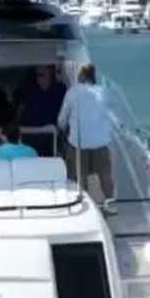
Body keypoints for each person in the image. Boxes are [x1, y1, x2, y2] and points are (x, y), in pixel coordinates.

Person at [57, 63, 117, 213]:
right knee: (105, 174)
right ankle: (111, 204)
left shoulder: (73, 92)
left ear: (82, 76)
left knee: (80, 175)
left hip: (79, 144)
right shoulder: (103, 91)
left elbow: (62, 119)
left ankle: (85, 206)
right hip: (101, 142)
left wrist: (61, 128)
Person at [18, 65, 67, 156]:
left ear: (51, 71)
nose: (39, 78)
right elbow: (20, 115)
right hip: (31, 139)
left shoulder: (61, 90)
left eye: (42, 74)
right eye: (37, 75)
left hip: (53, 139)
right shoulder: (29, 91)